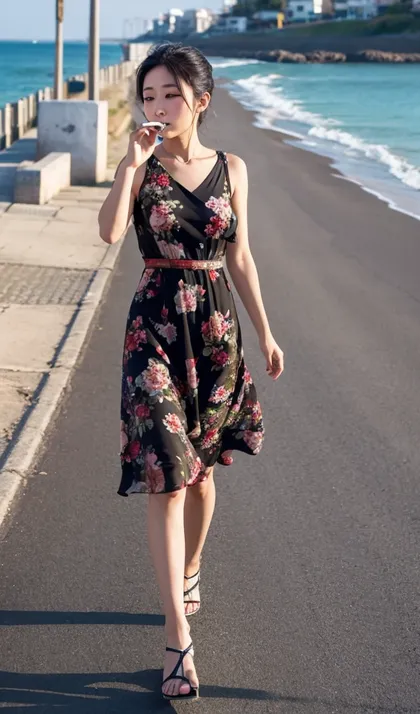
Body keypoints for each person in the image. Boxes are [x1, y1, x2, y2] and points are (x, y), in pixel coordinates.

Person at [98, 43, 284, 701]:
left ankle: (193, 565)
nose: (157, 106)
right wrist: (128, 165)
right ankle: (177, 637)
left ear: (201, 99)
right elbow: (109, 232)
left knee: (201, 478)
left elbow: (242, 256)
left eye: (169, 93)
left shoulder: (232, 168)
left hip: (213, 336)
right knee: (167, 478)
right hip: (152, 331)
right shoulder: (141, 169)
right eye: (148, 96)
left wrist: (265, 333)